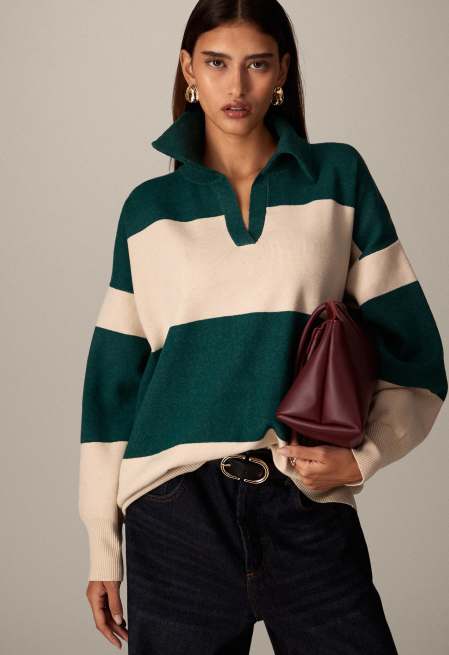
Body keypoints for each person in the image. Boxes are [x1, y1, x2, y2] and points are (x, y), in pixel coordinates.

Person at [78, 1, 447, 652]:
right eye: (217, 63)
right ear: (188, 69)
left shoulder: (337, 178)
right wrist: (102, 547)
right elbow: (111, 390)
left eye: (256, 64)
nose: (236, 85)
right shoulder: (148, 210)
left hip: (303, 502)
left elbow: (414, 352)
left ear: (282, 72)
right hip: (174, 515)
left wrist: (362, 457)